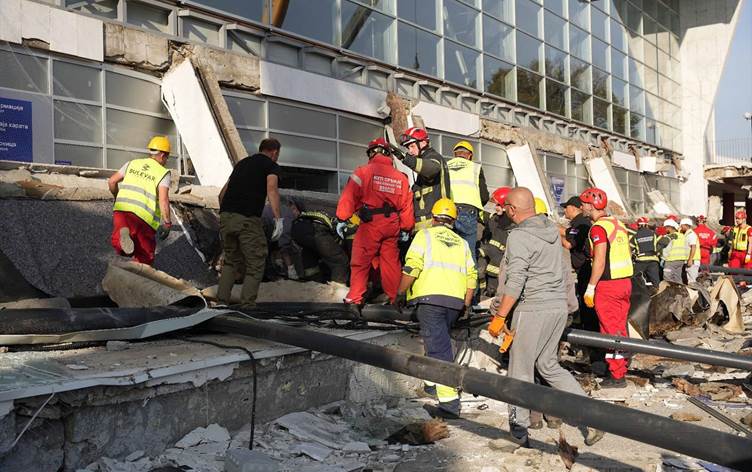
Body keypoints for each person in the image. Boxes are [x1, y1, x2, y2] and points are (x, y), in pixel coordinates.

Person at [487, 187, 603, 448]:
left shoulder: (519, 237)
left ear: (512, 210)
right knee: (548, 365)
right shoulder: (551, 229)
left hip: (533, 310)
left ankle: (518, 433)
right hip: (557, 308)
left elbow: (515, 281)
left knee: (519, 372)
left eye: (505, 208)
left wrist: (500, 315)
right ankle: (593, 418)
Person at [394, 198, 476, 418]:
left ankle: (449, 405)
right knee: (437, 342)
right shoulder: (461, 243)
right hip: (454, 303)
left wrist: (400, 293)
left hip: (430, 301)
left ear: (433, 218)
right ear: (453, 221)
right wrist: (466, 304)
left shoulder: (424, 235)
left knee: (439, 350)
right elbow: (471, 276)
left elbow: (412, 266)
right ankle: (432, 385)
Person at [336, 137, 414, 308]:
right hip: (392, 225)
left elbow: (349, 197)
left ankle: (354, 299)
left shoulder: (363, 172)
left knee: (360, 261)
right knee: (391, 263)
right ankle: (395, 299)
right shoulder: (401, 178)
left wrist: (343, 217)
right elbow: (407, 207)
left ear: (371, 153)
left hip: (371, 223)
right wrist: (406, 227)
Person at [216, 138, 284, 308]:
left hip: (226, 216)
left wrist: (227, 214)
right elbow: (272, 190)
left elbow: (221, 194)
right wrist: (278, 218)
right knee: (256, 262)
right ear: (274, 152)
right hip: (247, 219)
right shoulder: (270, 165)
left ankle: (221, 302)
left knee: (231, 261)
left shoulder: (241, 164)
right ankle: (247, 306)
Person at [579, 187, 633, 388]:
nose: (582, 206)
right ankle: (622, 365)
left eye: (584, 203)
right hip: (625, 282)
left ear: (592, 205)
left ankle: (617, 375)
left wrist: (591, 287)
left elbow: (599, 260)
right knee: (619, 327)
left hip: (608, 285)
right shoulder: (617, 224)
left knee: (609, 330)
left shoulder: (598, 228)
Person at [108, 135, 173, 266]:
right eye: (167, 157)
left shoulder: (132, 163)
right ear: (162, 155)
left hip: (122, 210)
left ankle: (122, 241)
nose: (166, 160)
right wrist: (167, 223)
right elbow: (163, 200)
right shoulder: (163, 172)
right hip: (144, 218)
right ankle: (140, 278)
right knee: (145, 255)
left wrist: (117, 197)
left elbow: (112, 181)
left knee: (120, 244)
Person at [397, 127, 451, 232]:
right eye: (408, 148)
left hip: (435, 224)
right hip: (426, 225)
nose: (410, 151)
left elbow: (432, 168)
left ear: (423, 143)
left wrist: (405, 159)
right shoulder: (423, 161)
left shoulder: (434, 157)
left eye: (412, 146)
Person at [560, 196, 598, 331]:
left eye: (566, 207)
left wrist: (551, 231)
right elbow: (567, 233)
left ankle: (590, 335)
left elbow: (569, 243)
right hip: (582, 268)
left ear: (574, 208)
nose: (564, 210)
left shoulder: (581, 223)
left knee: (586, 304)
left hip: (585, 268)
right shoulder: (577, 223)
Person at [446, 140, 489, 257]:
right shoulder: (475, 167)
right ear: (470, 155)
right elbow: (484, 196)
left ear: (455, 154)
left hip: (447, 212)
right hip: (468, 211)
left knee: (449, 252)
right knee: (468, 254)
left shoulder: (445, 166)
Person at [290, 201, 349, 285]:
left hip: (299, 230)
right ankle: (337, 291)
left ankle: (314, 284)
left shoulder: (308, 214)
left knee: (311, 255)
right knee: (339, 261)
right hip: (317, 230)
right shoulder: (345, 221)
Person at [478, 187, 513, 297]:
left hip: (499, 270)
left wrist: (485, 250)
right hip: (490, 265)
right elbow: (482, 216)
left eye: (498, 205)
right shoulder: (494, 219)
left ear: (505, 206)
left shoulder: (511, 226)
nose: (495, 207)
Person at [631, 217, 660, 287]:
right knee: (655, 282)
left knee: (635, 280)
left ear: (638, 225)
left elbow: (630, 249)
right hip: (653, 260)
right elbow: (660, 243)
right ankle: (657, 294)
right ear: (647, 225)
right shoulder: (654, 234)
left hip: (641, 261)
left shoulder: (635, 236)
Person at [657, 219, 686, 284]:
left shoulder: (668, 237)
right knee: (677, 278)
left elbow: (666, 250)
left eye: (666, 227)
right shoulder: (682, 236)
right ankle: (680, 292)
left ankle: (670, 293)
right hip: (681, 260)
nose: (665, 229)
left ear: (669, 227)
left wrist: (663, 259)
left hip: (670, 260)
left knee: (667, 279)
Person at [681, 217, 701, 283]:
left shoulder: (691, 235)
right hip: (690, 260)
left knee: (692, 281)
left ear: (686, 225)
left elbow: (693, 247)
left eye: (682, 226)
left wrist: (690, 259)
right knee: (689, 281)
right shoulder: (687, 234)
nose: (681, 227)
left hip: (693, 261)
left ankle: (695, 293)